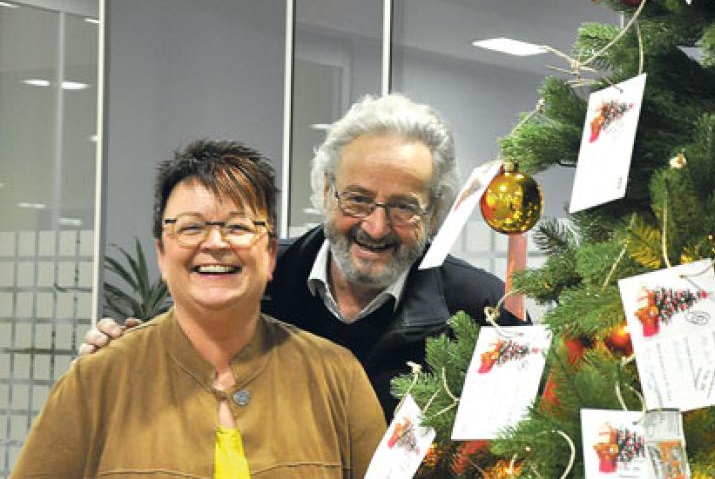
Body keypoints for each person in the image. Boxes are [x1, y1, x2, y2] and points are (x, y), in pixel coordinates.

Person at [0, 140, 388, 479]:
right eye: (191, 227)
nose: (215, 242)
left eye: (238, 226)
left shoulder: (336, 374)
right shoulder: (98, 378)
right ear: (162, 255)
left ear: (271, 254)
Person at [82, 94, 526, 419]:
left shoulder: (487, 311)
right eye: (357, 199)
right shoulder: (250, 276)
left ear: (435, 211)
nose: (376, 226)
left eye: (404, 206)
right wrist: (121, 352)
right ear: (326, 190)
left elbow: (517, 455)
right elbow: (172, 365)